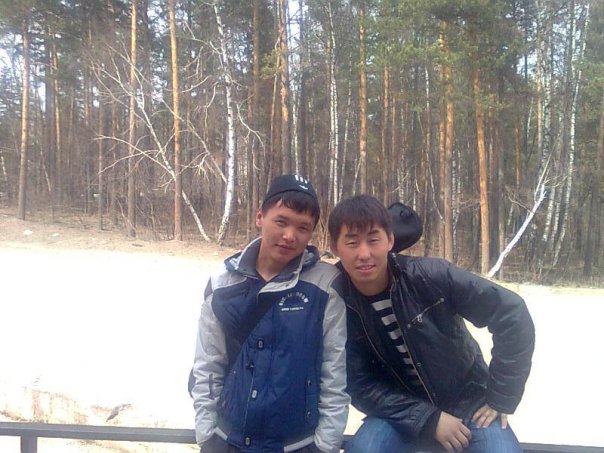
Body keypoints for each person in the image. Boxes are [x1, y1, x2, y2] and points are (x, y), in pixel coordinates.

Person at [327, 195, 535, 453]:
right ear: (335, 248)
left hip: (468, 400)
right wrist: (427, 418)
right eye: (352, 243)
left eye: (373, 240)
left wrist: (501, 396)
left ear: (390, 240)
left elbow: (511, 313)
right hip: (398, 410)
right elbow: (359, 384)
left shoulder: (429, 276)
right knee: (364, 449)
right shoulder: (336, 302)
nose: (364, 254)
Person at [191, 175, 350, 453]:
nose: (290, 235)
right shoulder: (222, 285)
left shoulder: (325, 285)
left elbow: (334, 373)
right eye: (281, 221)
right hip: (228, 440)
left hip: (298, 444)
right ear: (260, 216)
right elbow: (208, 364)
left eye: (303, 227)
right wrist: (207, 436)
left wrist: (325, 446)